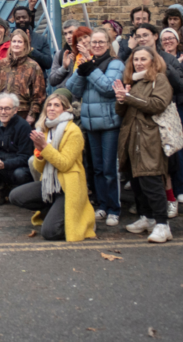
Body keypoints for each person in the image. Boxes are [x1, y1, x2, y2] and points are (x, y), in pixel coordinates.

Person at [8, 92, 96, 242]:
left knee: (50, 233)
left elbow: (65, 164)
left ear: (65, 109)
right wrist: (39, 153)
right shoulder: (45, 129)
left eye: (56, 105)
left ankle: (77, 218)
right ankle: (52, 209)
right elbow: (39, 168)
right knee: (15, 196)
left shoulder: (73, 131)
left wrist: (44, 147)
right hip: (50, 183)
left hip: (68, 186)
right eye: (49, 105)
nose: (51, 108)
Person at [113, 46, 175, 243]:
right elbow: (122, 112)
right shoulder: (133, 81)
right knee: (137, 182)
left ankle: (163, 224)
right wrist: (121, 99)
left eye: (143, 59)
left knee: (151, 180)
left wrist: (129, 98)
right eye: (135, 59)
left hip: (150, 138)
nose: (138, 63)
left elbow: (158, 105)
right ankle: (147, 217)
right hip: (132, 138)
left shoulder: (159, 79)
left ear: (153, 61)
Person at [65, 28, 124, 226]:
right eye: (94, 42)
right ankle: (102, 205)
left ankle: (114, 208)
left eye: (100, 42)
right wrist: (83, 69)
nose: (97, 45)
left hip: (108, 124)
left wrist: (90, 67)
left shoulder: (115, 63)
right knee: (97, 169)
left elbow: (108, 88)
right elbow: (72, 89)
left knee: (109, 169)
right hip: (90, 123)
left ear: (108, 44)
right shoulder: (88, 63)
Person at [159, 27, 183, 209]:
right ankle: (169, 189)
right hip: (162, 108)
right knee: (166, 150)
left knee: (181, 147)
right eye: (164, 39)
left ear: (177, 40)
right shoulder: (158, 59)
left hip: (179, 107)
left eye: (171, 38)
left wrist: (178, 64)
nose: (168, 41)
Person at [0, 30, 46, 125]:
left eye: (20, 42)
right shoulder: (2, 64)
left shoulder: (33, 66)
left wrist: (32, 114)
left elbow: (39, 94)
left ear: (25, 45)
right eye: (14, 41)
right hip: (2, 112)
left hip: (23, 113)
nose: (16, 44)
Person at [11, 5, 52, 70]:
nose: (21, 20)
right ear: (15, 20)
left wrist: (31, 50)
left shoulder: (41, 39)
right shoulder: (10, 39)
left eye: (24, 17)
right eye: (18, 18)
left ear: (30, 19)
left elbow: (48, 63)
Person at [48, 22, 85, 90]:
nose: (68, 36)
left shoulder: (86, 53)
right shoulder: (60, 54)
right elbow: (52, 81)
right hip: (64, 93)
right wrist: (64, 68)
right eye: (65, 34)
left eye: (71, 32)